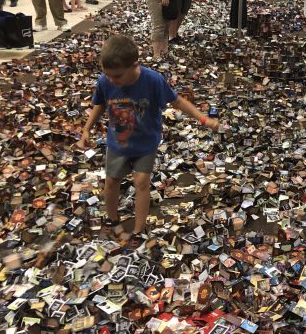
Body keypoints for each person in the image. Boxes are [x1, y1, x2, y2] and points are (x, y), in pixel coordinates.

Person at [79, 34, 219, 245]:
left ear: (134, 65)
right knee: (111, 182)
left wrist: (203, 119)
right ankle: (112, 218)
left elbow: (178, 102)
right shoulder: (105, 81)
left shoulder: (153, 80)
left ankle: (138, 229)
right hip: (118, 143)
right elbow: (99, 104)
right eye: (107, 75)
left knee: (141, 183)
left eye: (117, 76)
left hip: (146, 143)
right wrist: (86, 130)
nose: (111, 80)